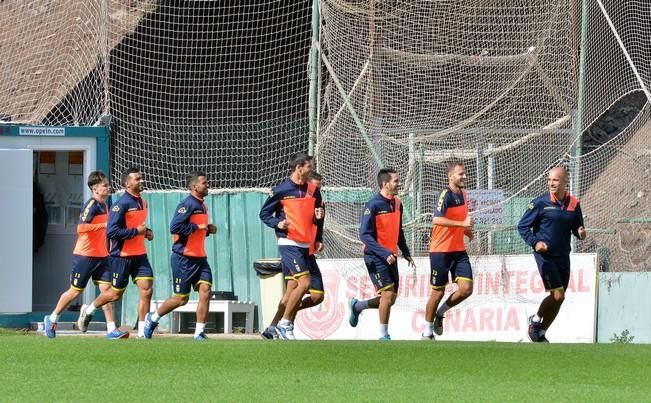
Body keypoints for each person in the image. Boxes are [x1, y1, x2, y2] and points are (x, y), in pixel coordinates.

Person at [44, 171, 128, 339]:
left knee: (107, 292)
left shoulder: (105, 205)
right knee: (75, 291)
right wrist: (104, 225)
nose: (108, 187)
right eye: (104, 185)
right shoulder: (91, 205)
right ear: (95, 189)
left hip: (102, 256)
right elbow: (81, 228)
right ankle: (52, 318)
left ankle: (111, 329)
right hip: (84, 256)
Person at [77, 167, 155, 338]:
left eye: (141, 178)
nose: (141, 181)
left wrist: (146, 231)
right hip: (121, 256)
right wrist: (136, 232)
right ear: (127, 183)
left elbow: (136, 226)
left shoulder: (143, 202)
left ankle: (143, 333)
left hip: (140, 255)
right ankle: (89, 310)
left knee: (147, 289)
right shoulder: (120, 205)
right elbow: (112, 232)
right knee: (115, 294)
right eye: (137, 179)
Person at [142, 172, 217, 340]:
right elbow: (175, 227)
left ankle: (199, 333)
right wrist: (199, 227)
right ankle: (152, 318)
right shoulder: (187, 204)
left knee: (205, 291)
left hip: (200, 258)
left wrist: (207, 230)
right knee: (181, 299)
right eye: (204, 183)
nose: (208, 185)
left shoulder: (203, 206)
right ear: (194, 186)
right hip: (183, 258)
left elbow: (194, 230)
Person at [518, 166, 586, 342]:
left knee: (559, 298)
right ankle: (534, 320)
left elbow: (577, 227)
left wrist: (580, 232)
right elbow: (522, 226)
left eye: (555, 180)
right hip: (545, 256)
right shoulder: (540, 202)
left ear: (565, 182)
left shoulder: (574, 203)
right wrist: (535, 243)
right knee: (558, 294)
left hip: (563, 256)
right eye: (549, 180)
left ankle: (541, 332)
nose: (551, 183)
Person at [259, 153, 323, 340]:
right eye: (309, 167)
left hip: (306, 246)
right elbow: (264, 213)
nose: (311, 170)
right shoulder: (281, 189)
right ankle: (285, 323)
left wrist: (318, 230)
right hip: (289, 243)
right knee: (303, 284)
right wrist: (277, 224)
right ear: (299, 168)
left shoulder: (313, 190)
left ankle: (274, 326)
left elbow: (318, 215)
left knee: (314, 295)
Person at [348, 168, 415, 340]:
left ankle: (357, 306)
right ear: (385, 184)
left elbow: (398, 231)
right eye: (396, 181)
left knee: (390, 298)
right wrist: (384, 252)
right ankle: (384, 335)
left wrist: (406, 252)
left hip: (390, 256)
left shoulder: (398, 203)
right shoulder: (373, 205)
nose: (399, 183)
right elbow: (364, 235)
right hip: (374, 256)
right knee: (386, 295)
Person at [421, 161, 475, 340]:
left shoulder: (464, 194)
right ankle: (427, 332)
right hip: (441, 251)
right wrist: (462, 224)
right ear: (450, 176)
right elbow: (437, 220)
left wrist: (467, 232)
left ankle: (440, 313)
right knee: (438, 292)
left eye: (464, 173)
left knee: (466, 289)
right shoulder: (445, 194)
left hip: (459, 250)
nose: (464, 176)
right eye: (460, 174)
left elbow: (459, 220)